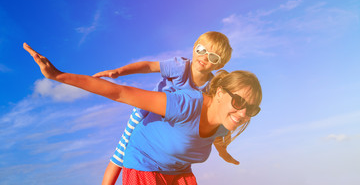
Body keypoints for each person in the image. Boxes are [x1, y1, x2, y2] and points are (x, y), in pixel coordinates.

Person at [24, 42, 262, 185]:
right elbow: (119, 93)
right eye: (239, 101)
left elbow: (220, 140)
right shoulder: (185, 103)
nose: (243, 113)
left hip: (178, 173)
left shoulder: (223, 123)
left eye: (252, 108)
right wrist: (58, 76)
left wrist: (226, 154)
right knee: (119, 154)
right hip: (145, 167)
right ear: (219, 92)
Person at [92, 31, 235, 185]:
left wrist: (223, 151)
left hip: (173, 126)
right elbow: (148, 66)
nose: (205, 57)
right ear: (194, 47)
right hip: (147, 110)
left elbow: (216, 123)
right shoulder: (180, 67)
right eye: (202, 50)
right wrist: (120, 72)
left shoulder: (211, 88)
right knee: (121, 151)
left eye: (213, 57)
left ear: (220, 65)